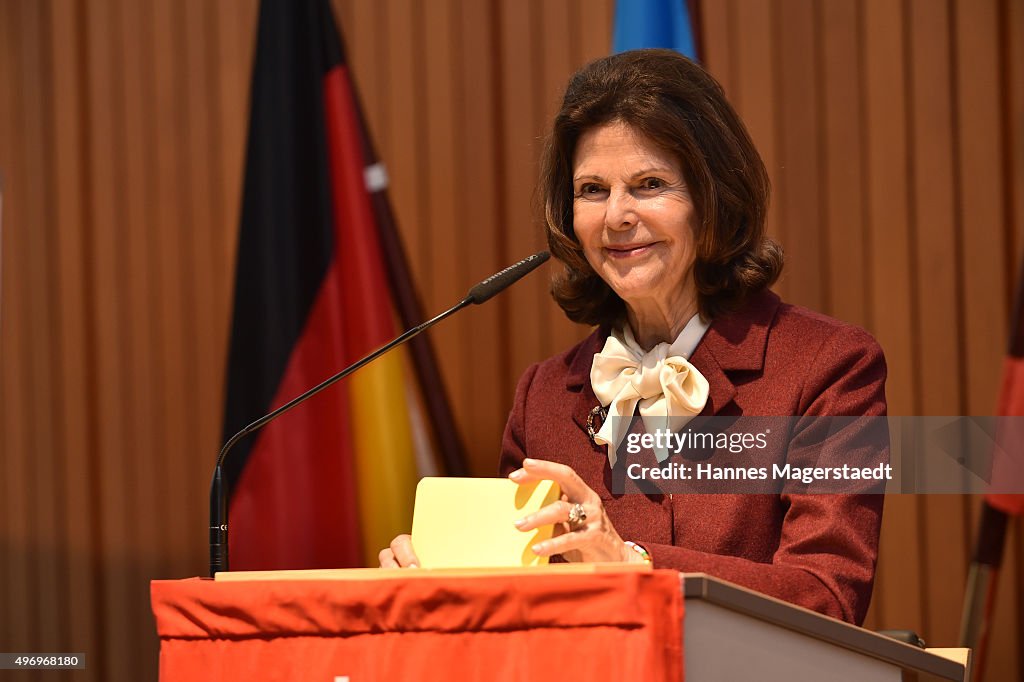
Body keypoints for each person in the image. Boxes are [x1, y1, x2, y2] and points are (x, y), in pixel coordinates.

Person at [380, 49, 885, 627]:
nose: (616, 216)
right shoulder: (542, 397)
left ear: (713, 197)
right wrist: (437, 583)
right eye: (592, 190)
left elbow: (828, 598)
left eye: (649, 184)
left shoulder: (830, 366)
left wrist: (631, 564)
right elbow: (516, 598)